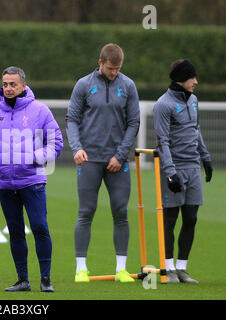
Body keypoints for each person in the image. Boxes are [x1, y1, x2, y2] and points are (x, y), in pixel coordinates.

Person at [0, 66, 63, 292]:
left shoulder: (40, 111)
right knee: (15, 231)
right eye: (5, 84)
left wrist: (36, 158)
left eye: (12, 84)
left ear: (23, 86)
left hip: (32, 182)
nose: (8, 88)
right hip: (5, 184)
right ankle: (23, 280)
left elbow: (56, 142)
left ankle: (45, 280)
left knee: (39, 228)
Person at [66, 43, 140, 283]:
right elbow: (72, 119)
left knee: (121, 212)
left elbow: (134, 123)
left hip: (117, 162)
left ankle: (121, 269)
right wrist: (77, 149)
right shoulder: (83, 85)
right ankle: (81, 269)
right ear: (100, 63)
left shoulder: (128, 86)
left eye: (117, 69)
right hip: (89, 160)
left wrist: (120, 155)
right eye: (110, 68)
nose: (114, 73)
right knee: (86, 212)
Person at [153, 59, 212, 284]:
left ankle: (182, 268)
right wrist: (170, 171)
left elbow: (196, 131)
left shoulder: (194, 100)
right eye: (192, 78)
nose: (196, 82)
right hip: (174, 168)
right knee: (170, 218)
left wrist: (205, 158)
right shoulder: (163, 105)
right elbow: (163, 141)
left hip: (193, 167)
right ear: (181, 79)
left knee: (191, 217)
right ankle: (168, 268)